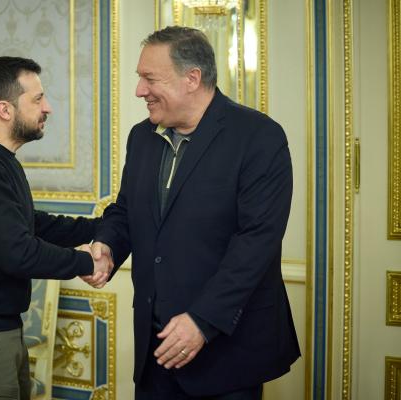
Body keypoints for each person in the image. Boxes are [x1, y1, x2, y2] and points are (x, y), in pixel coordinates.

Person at [86, 26, 300, 399]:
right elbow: (126, 210)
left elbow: (256, 243)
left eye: (149, 78)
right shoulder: (142, 137)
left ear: (192, 78)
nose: (139, 90)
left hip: (227, 356)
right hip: (156, 354)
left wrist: (203, 320)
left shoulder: (259, 137)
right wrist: (108, 245)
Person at [0, 56, 110, 400]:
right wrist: (87, 262)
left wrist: (99, 228)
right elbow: (19, 253)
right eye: (38, 99)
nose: (48, 108)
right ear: (5, 109)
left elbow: (32, 224)